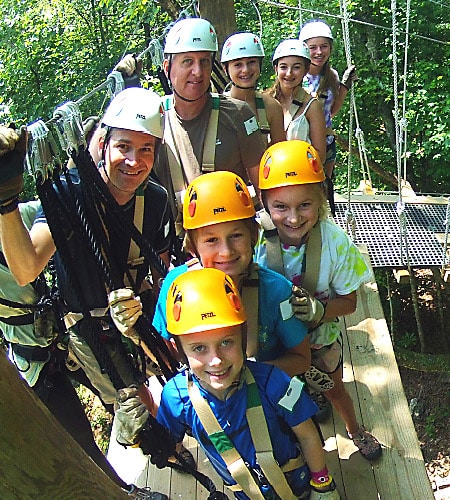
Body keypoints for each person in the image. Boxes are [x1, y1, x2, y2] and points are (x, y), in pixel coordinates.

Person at [0, 88, 176, 498]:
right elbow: (26, 267)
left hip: (125, 332)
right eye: (124, 147)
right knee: (78, 444)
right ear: (101, 143)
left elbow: (161, 275)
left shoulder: (155, 202)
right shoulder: (69, 196)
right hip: (63, 338)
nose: (134, 162)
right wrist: (6, 202)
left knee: (144, 414)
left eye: (146, 150)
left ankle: (159, 453)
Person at [116, 268, 340, 499]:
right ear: (181, 351)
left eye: (226, 342)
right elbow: (166, 449)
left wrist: (322, 483)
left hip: (296, 480)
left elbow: (307, 434)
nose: (216, 360)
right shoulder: (177, 398)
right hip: (246, 492)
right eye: (199, 348)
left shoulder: (274, 382)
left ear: (243, 339)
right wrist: (140, 438)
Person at [254, 140, 382, 462]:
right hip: (275, 344)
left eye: (305, 205)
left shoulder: (334, 243)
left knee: (334, 387)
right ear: (266, 203)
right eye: (280, 207)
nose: (294, 218)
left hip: (319, 338)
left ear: (321, 200)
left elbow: (350, 302)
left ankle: (354, 430)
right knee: (283, 396)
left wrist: (320, 311)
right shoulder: (253, 239)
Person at [151, 170, 322, 381]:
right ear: (193, 246)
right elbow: (167, 354)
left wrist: (245, 374)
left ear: (253, 235)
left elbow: (300, 359)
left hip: (263, 391)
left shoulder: (276, 291)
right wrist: (135, 333)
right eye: (211, 240)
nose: (226, 251)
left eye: (236, 235)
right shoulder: (176, 286)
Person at [152, 18, 267, 227]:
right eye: (187, 61)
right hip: (173, 243)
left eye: (204, 61)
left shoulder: (238, 114)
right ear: (168, 67)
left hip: (229, 239)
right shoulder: (153, 117)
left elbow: (263, 187)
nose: (198, 72)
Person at [299, 19, 358, 213]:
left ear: (330, 48)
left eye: (323, 46)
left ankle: (322, 227)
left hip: (326, 139)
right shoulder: (297, 76)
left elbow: (331, 110)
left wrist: (344, 87)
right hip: (303, 140)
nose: (318, 52)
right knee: (304, 188)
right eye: (313, 47)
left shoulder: (330, 75)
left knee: (323, 186)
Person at [266, 39, 326, 163]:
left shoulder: (311, 106)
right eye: (283, 67)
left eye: (296, 67)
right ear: (275, 68)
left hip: (302, 176)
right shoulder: (265, 101)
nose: (289, 73)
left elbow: (320, 155)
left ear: (306, 69)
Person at [220, 32, 285, 146]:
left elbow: (279, 152)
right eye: (238, 64)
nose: (245, 70)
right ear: (226, 69)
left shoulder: (272, 107)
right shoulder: (216, 107)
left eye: (251, 62)